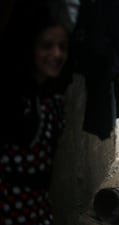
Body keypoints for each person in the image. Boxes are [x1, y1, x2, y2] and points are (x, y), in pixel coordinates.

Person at [0, 1, 71, 224]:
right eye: (47, 46)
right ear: (29, 47)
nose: (56, 54)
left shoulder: (51, 102)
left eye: (62, 47)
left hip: (37, 212)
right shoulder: (10, 101)